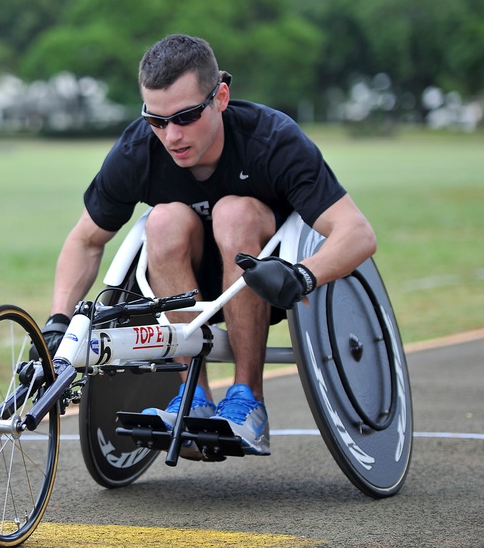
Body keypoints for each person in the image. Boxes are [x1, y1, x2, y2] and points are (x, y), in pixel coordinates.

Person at [41, 33, 376, 456]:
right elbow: (86, 241)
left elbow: (357, 233)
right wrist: (58, 320)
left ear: (220, 96)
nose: (171, 136)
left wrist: (304, 276)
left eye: (185, 117)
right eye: (156, 120)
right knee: (161, 219)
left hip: (272, 281)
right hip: (185, 281)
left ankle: (246, 399)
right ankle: (193, 397)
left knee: (232, 211)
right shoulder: (138, 150)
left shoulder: (271, 138)